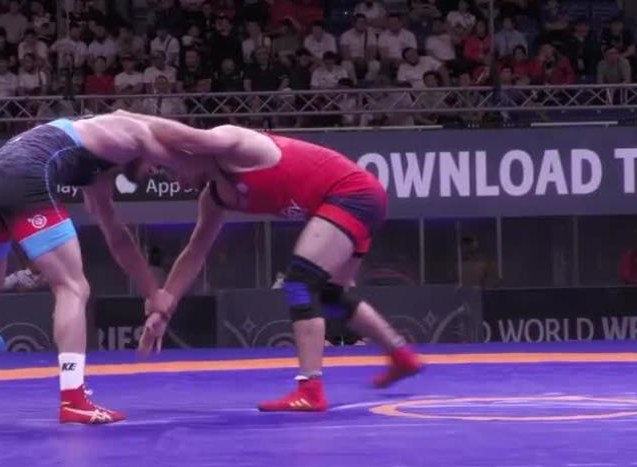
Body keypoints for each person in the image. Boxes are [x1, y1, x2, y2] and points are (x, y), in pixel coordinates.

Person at [0, 111, 196, 425]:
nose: (155, 170)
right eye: (158, 165)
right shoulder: (133, 134)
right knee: (73, 287)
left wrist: (152, 294)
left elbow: (118, 238)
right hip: (25, 176)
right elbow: (195, 147)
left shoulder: (98, 166)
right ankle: (74, 398)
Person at [132, 117, 424, 412]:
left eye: (172, 169)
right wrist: (163, 309)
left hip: (352, 194)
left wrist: (129, 119)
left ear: (189, 153)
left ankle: (310, 390)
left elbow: (186, 136)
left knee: (300, 283)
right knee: (329, 295)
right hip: (357, 198)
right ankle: (401, 355)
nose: (176, 181)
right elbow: (194, 253)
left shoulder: (234, 144)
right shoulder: (214, 198)